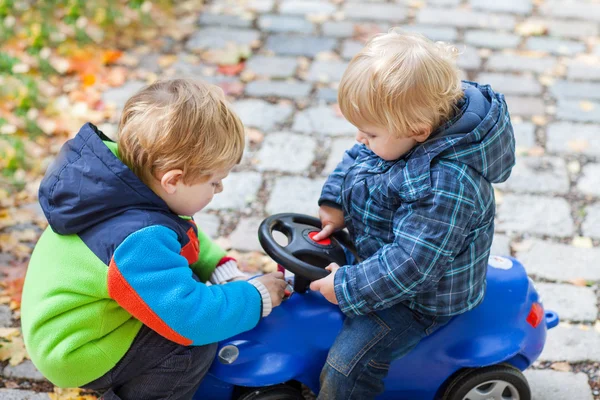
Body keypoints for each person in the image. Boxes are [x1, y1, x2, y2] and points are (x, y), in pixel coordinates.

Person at [21, 78, 287, 399]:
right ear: (173, 180)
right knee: (190, 348)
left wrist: (217, 264)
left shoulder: (128, 179)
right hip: (77, 349)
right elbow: (189, 319)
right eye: (215, 183)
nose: (220, 190)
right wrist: (256, 298)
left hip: (75, 322)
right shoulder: (139, 240)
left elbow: (182, 229)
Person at [309, 29, 516, 399]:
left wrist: (346, 287)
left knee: (347, 364)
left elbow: (411, 266)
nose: (360, 139)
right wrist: (335, 202)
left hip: (419, 298)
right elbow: (359, 158)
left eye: (369, 132)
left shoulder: (446, 186)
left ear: (418, 131)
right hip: (380, 255)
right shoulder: (399, 132)